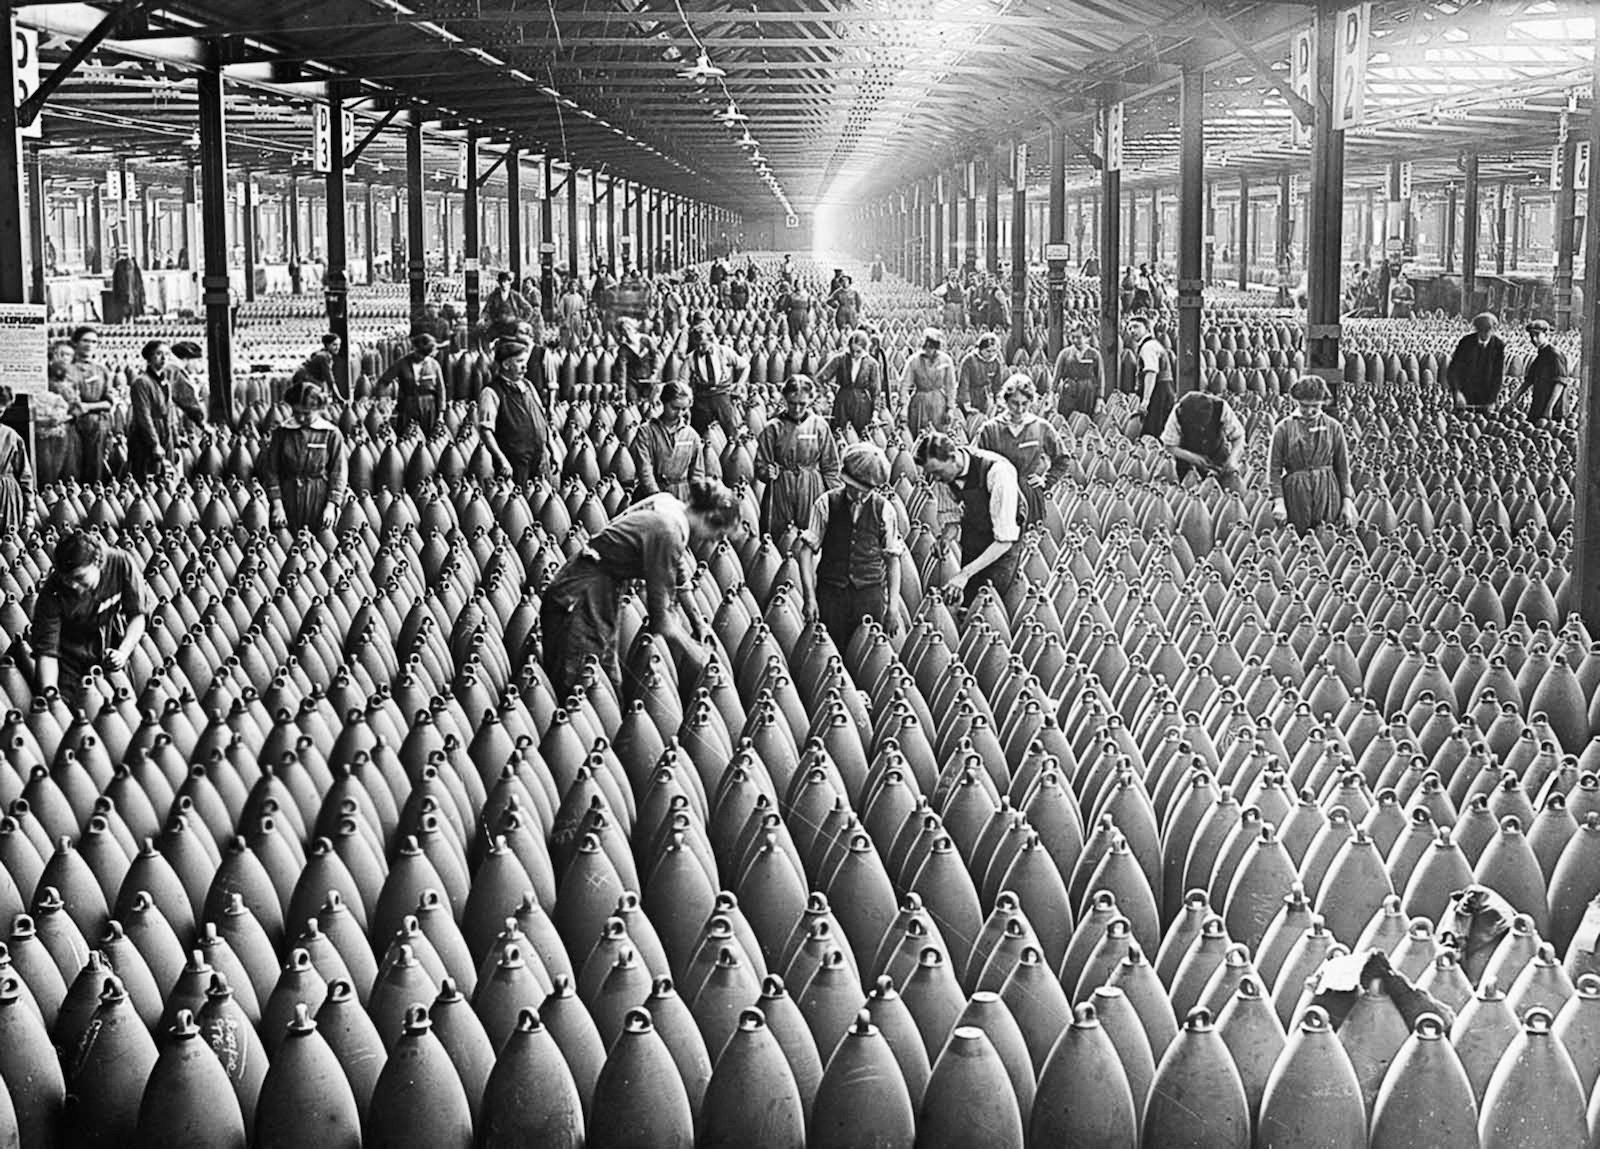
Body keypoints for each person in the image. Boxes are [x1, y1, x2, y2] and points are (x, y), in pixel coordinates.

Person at [541, 479, 740, 699]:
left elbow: (678, 569)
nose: (715, 541)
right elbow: (662, 623)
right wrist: (701, 658)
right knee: (582, 687)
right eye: (719, 534)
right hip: (580, 597)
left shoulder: (669, 506)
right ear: (708, 518)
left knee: (606, 682)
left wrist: (697, 622)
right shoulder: (668, 532)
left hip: (597, 590)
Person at [30, 529, 153, 705]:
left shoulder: (120, 563)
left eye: (79, 578)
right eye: (67, 579)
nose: (73, 585)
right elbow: (47, 652)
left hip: (108, 644)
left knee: (122, 707)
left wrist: (123, 652)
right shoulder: (52, 594)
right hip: (69, 656)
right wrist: (50, 695)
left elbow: (138, 614)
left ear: (97, 562)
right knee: (72, 709)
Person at [797, 442, 903, 647]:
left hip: (869, 596)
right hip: (831, 595)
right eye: (855, 488)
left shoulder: (884, 510)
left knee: (867, 656)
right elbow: (805, 552)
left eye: (866, 490)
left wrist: (892, 607)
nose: (860, 495)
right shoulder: (825, 503)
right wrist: (809, 598)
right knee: (828, 652)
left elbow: (892, 561)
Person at [914, 431, 1024, 606]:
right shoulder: (944, 477)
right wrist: (946, 538)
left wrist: (964, 573)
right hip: (975, 532)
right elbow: (952, 518)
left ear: (953, 458)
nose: (935, 479)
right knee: (969, 596)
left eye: (937, 472)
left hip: (1002, 544)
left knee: (989, 600)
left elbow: (1005, 540)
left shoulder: (997, 473)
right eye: (931, 474)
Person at [754, 375, 840, 549]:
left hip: (811, 487)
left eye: (802, 404)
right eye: (792, 403)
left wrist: (836, 497)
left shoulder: (820, 426)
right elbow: (760, 464)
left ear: (810, 400)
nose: (797, 408)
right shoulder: (773, 428)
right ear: (784, 399)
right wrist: (766, 471)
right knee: (779, 535)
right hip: (781, 488)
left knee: (810, 536)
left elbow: (831, 466)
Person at [1269, 375, 1358, 533]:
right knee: (1297, 538)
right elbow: (1274, 470)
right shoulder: (1283, 429)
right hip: (1295, 494)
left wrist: (1347, 502)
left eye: (1315, 406)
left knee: (1327, 537)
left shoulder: (1334, 427)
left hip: (1328, 492)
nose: (1309, 411)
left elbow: (1343, 469)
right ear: (1296, 402)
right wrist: (1279, 502)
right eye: (1304, 406)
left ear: (1323, 403)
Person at [259, 378, 348, 534]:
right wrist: (277, 505)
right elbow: (271, 470)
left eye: (306, 414)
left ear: (319, 409)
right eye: (296, 412)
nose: (300, 418)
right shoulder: (282, 433)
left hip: (319, 498)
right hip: (288, 498)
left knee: (319, 547)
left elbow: (338, 472)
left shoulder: (331, 434)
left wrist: (331, 505)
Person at [976, 375, 1068, 524]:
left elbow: (1062, 458)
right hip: (999, 495)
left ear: (1032, 402)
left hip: (1029, 495)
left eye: (1025, 403)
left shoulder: (1041, 427)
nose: (1019, 409)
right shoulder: (990, 429)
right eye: (1014, 403)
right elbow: (975, 463)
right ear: (1005, 401)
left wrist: (1046, 481)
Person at [478, 338, 552, 484]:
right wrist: (502, 460)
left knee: (541, 502)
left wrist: (552, 450)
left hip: (539, 458)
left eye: (525, 361)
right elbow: (486, 432)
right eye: (519, 362)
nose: (525, 367)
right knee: (518, 503)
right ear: (506, 364)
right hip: (514, 463)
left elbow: (543, 420)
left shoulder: (528, 386)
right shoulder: (491, 392)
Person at [128, 340, 201, 479]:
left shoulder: (165, 383)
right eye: (158, 354)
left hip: (165, 434)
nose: (164, 358)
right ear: (149, 358)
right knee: (147, 478)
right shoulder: (141, 382)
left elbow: (169, 413)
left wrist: (174, 437)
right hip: (145, 436)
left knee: (166, 477)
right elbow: (144, 417)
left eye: (167, 354)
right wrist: (155, 444)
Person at [632, 381, 708, 500]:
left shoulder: (691, 435)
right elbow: (644, 469)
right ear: (664, 402)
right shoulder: (646, 432)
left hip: (681, 495)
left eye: (684, 409)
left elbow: (697, 474)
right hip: (651, 495)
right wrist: (656, 496)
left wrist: (698, 500)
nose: (679, 414)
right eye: (674, 408)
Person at [1161, 389, 1247, 492]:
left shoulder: (1221, 407)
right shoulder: (1178, 413)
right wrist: (1192, 457)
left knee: (1220, 494)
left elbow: (1238, 436)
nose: (1201, 430)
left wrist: (1233, 459)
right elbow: (1169, 446)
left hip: (1217, 457)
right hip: (1187, 464)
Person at [66, 326, 118, 484]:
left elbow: (109, 402)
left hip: (96, 425)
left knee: (94, 468)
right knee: (72, 468)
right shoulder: (67, 369)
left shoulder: (102, 371)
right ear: (75, 343)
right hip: (71, 425)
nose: (89, 345)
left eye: (94, 342)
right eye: (85, 340)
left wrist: (87, 407)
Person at [684, 321, 749, 439]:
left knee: (731, 433)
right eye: (697, 345)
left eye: (703, 344)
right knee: (700, 434)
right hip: (701, 399)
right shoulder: (690, 359)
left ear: (711, 339)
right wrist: (687, 403)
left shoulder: (724, 352)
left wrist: (739, 386)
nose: (700, 348)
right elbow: (682, 383)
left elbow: (745, 366)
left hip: (722, 397)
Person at [816, 328, 885, 439]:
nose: (854, 355)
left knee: (861, 436)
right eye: (852, 351)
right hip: (842, 402)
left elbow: (876, 391)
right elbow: (820, 378)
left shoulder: (872, 364)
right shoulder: (840, 359)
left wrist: (875, 414)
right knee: (840, 434)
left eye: (858, 352)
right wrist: (827, 392)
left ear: (865, 349)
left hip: (862, 405)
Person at [376, 331, 448, 437]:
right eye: (420, 354)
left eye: (425, 356)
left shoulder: (434, 365)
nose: (422, 358)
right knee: (407, 439)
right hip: (407, 407)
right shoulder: (402, 363)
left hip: (429, 408)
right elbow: (383, 381)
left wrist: (441, 413)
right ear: (414, 349)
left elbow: (441, 390)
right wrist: (383, 400)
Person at [899, 328, 957, 435]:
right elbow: (905, 384)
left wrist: (950, 408)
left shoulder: (946, 360)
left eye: (932, 347)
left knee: (939, 435)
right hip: (919, 402)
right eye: (927, 347)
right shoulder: (914, 361)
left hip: (939, 403)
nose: (929, 350)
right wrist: (903, 406)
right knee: (920, 433)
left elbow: (950, 386)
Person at [1128, 315, 1176, 439]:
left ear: (1147, 329)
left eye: (1136, 327)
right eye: (1130, 328)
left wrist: (1146, 400)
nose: (1132, 331)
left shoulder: (1148, 347)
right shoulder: (1152, 344)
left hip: (1158, 391)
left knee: (1153, 432)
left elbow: (1151, 372)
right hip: (1164, 389)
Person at [1447, 313, 1506, 411]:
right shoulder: (1466, 342)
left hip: (1485, 396)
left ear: (1493, 330)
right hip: (1465, 393)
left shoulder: (1498, 345)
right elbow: (1453, 369)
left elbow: (1498, 375)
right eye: (1481, 331)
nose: (1485, 334)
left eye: (1488, 331)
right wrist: (1457, 392)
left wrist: (1492, 400)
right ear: (1477, 330)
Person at [1514, 319, 1566, 424]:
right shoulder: (1540, 356)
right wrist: (1514, 398)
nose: (1533, 339)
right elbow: (1529, 381)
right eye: (1531, 336)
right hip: (1539, 404)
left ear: (1546, 334)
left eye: (1537, 335)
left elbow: (1559, 384)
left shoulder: (1554, 355)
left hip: (1552, 409)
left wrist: (1549, 408)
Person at [0, 387, 33, 535]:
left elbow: (25, 477)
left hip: (6, 498)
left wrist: (29, 513)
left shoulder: (11, 437)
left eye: (0, 412)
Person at [1052, 327, 1102, 419]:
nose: (1075, 340)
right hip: (1069, 390)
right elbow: (1057, 375)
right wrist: (1052, 393)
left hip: (1087, 392)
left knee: (1085, 418)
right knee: (1066, 416)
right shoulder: (1065, 354)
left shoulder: (1094, 354)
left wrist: (1100, 398)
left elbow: (1100, 377)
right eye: (1073, 337)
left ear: (1087, 338)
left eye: (1078, 337)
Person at [612, 317, 661, 407]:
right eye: (623, 330)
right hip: (633, 382)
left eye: (628, 328)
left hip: (648, 380)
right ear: (621, 333)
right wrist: (622, 389)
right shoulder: (624, 349)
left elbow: (655, 357)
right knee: (633, 405)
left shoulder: (646, 340)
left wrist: (655, 372)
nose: (627, 332)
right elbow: (622, 370)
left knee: (649, 406)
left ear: (633, 328)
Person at [957, 332, 1005, 419]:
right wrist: (967, 405)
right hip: (970, 395)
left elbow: (997, 385)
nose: (991, 354)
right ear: (980, 349)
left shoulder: (996, 362)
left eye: (994, 351)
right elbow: (964, 385)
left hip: (985, 397)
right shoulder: (969, 361)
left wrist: (999, 400)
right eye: (988, 351)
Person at [483, 272, 536, 341]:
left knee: (524, 339)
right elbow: (486, 309)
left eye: (505, 282)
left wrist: (522, 320)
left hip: (513, 325)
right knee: (485, 338)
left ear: (509, 282)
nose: (503, 284)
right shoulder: (494, 295)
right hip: (497, 325)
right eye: (501, 282)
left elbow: (529, 309)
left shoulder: (515, 295)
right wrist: (487, 320)